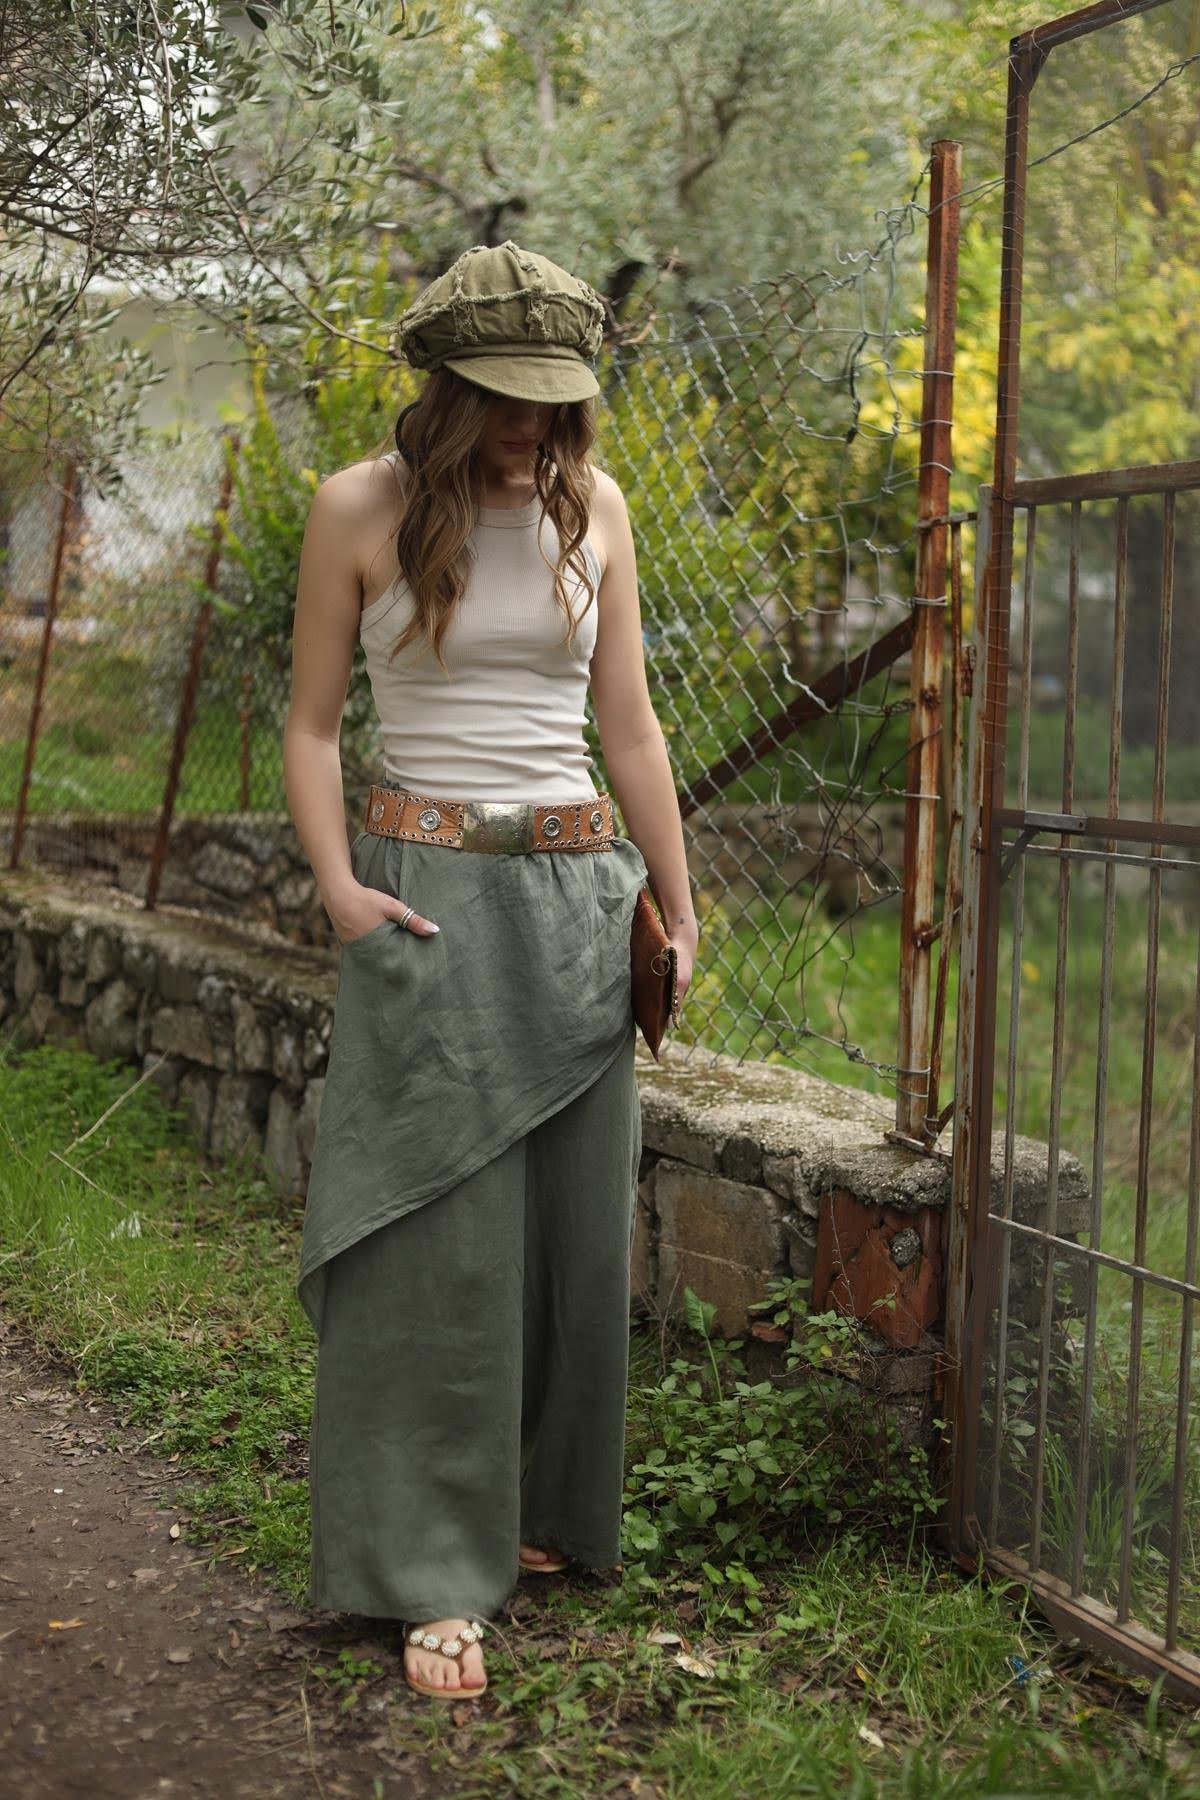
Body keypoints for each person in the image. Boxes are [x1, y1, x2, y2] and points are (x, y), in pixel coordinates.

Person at [283, 240, 698, 1700]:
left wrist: (676, 903)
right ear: (447, 388)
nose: (532, 424)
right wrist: (341, 890)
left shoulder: (599, 508)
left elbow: (627, 724)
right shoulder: (359, 508)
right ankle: (428, 1567)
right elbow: (313, 725)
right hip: (429, 901)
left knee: (572, 1237)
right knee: (434, 1248)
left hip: (581, 897)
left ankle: (536, 1510)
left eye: (553, 398)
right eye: (506, 398)